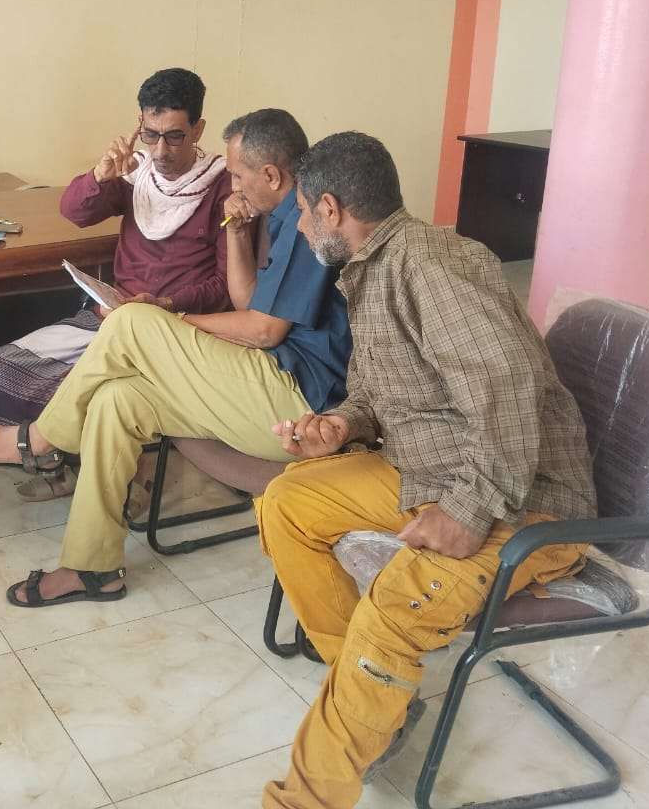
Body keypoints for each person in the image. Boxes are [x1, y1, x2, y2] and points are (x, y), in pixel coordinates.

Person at [255, 132, 596, 809]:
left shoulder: (430, 264)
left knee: (398, 602)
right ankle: (372, 702)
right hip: (428, 471)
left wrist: (470, 513)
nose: (300, 228)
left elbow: (507, 385)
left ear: (330, 208)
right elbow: (378, 388)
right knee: (287, 502)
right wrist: (341, 425)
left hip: (526, 503)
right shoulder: (373, 269)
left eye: (302, 213)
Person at [0, 108, 352, 607]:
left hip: (298, 403)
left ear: (272, 175)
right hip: (264, 384)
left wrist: (170, 322)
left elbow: (263, 330)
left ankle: (38, 438)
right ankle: (92, 568)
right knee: (118, 400)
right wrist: (236, 231)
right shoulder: (279, 216)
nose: (232, 184)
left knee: (130, 322)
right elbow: (247, 303)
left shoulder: (306, 220)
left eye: (237, 175)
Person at [0, 68, 233, 502]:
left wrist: (163, 303)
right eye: (150, 135)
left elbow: (224, 285)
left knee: (83, 388)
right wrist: (101, 174)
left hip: (174, 326)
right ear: (139, 124)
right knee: (1, 365)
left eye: (174, 137)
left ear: (198, 129)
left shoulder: (222, 186)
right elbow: (75, 212)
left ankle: (101, 472)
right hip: (110, 316)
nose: (160, 150)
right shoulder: (136, 173)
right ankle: (57, 463)